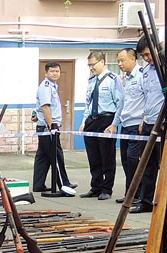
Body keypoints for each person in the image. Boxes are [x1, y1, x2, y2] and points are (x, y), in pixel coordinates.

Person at [130, 37, 167, 216]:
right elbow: (148, 96)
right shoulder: (146, 70)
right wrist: (144, 117)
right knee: (147, 164)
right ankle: (146, 201)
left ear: (156, 49)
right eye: (143, 56)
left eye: (147, 54)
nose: (146, 58)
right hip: (150, 121)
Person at [79, 52, 123, 201]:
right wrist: (84, 121)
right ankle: (95, 187)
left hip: (106, 120)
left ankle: (106, 189)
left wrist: (114, 124)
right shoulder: (91, 80)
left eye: (93, 64)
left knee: (107, 157)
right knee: (93, 157)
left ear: (103, 62)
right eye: (89, 65)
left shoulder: (113, 79)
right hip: (92, 120)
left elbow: (120, 103)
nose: (91, 68)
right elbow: (88, 103)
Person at [108, 48, 146, 204]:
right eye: (118, 60)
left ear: (133, 59)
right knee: (125, 160)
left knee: (134, 160)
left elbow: (149, 98)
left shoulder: (143, 76)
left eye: (122, 60)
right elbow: (123, 103)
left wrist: (145, 118)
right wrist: (114, 123)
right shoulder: (126, 79)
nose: (120, 64)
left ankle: (139, 194)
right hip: (126, 124)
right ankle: (131, 193)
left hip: (138, 125)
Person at [32, 62, 76, 197]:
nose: (55, 73)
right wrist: (52, 125)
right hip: (48, 127)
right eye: (52, 71)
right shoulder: (46, 87)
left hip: (46, 126)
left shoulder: (53, 86)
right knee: (56, 156)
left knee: (43, 156)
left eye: (57, 71)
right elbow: (45, 107)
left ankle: (38, 184)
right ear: (46, 73)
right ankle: (64, 185)